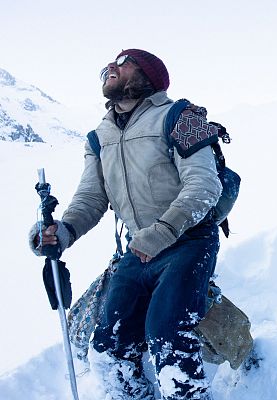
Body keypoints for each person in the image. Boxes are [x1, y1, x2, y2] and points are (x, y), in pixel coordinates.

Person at [28, 49, 222, 400]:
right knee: (108, 349)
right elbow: (91, 197)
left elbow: (204, 185)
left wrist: (162, 231)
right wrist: (64, 231)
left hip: (189, 241)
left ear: (148, 76)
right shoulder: (98, 136)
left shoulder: (181, 115)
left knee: (168, 335)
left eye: (123, 61)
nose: (110, 67)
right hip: (139, 249)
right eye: (108, 65)